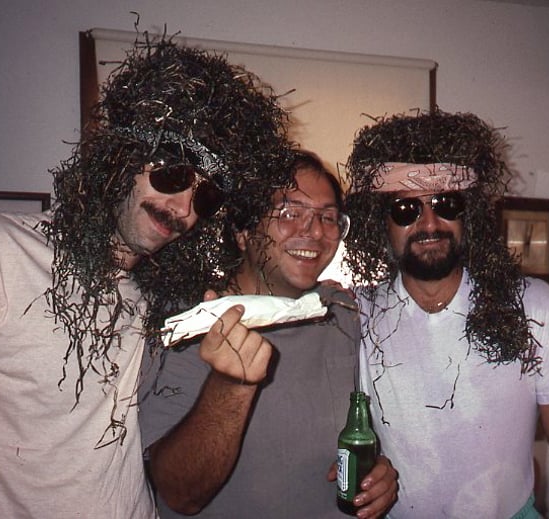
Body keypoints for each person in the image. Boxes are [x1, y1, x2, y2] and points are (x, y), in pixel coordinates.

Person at [0, 35, 293, 518]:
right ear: (123, 158)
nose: (183, 208)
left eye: (206, 198)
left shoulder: (158, 293)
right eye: (172, 175)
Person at [343, 109, 549, 518]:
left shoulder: (533, 307)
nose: (430, 223)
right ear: (382, 224)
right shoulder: (357, 316)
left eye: (445, 204)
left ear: (469, 213)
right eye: (406, 209)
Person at [139, 151, 398, 518]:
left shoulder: (343, 314)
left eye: (328, 217)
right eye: (290, 213)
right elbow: (180, 495)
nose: (315, 231)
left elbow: (356, 435)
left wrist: (377, 474)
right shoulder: (187, 326)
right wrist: (230, 385)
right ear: (243, 232)